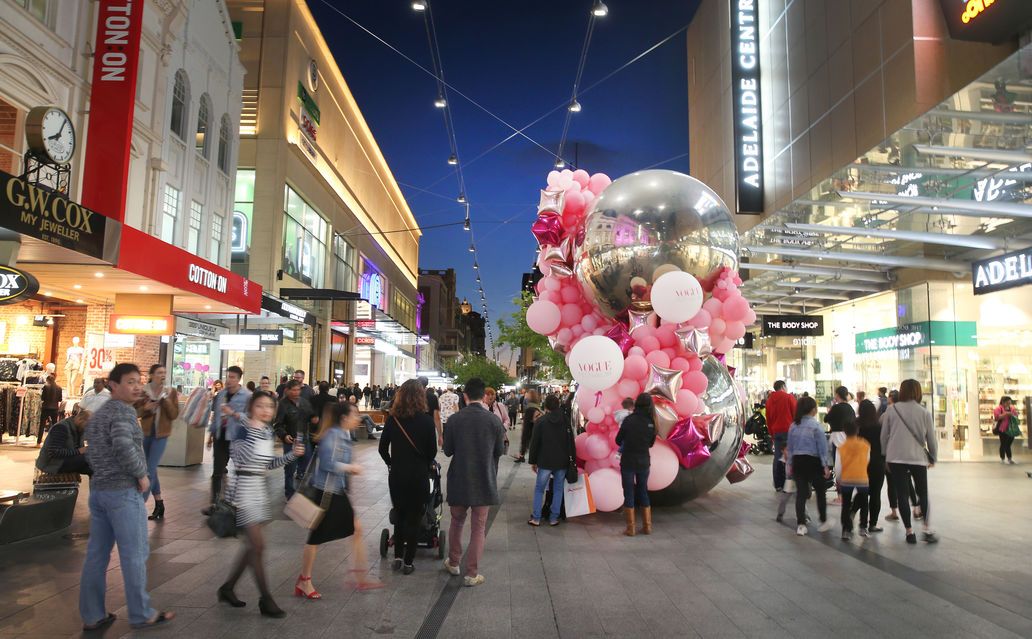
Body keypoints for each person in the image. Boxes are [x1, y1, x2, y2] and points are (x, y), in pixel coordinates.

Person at [79, 363, 175, 631]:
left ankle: (92, 614)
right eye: (130, 382)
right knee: (134, 553)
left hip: (99, 491)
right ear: (114, 385)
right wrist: (142, 474)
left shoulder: (99, 414)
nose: (136, 387)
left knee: (96, 555)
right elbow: (123, 445)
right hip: (122, 492)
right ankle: (141, 613)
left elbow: (92, 451)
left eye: (138, 382)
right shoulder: (122, 412)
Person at [218, 391, 305, 617]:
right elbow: (239, 458)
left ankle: (227, 588)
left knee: (251, 546)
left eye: (269, 406)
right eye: (260, 406)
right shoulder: (244, 429)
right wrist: (247, 425)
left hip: (258, 489)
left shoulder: (267, 431)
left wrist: (292, 455)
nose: (266, 410)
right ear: (250, 408)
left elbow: (268, 464)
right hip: (243, 490)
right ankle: (266, 599)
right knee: (258, 546)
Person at [296, 402, 383, 597]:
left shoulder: (343, 434)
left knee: (356, 530)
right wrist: (349, 467)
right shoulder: (334, 435)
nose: (358, 418)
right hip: (326, 493)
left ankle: (360, 576)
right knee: (315, 538)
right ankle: (304, 580)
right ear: (344, 418)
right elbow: (327, 464)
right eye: (355, 414)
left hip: (336, 492)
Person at [442, 377, 505, 586]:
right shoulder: (494, 421)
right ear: (483, 396)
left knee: (457, 522)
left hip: (459, 477)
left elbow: (448, 450)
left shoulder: (454, 420)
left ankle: (453, 562)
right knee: (478, 527)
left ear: (465, 396)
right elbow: (498, 451)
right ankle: (471, 573)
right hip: (484, 479)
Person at [378, 379, 437, 574]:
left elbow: (382, 448)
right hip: (418, 476)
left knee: (399, 515)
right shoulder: (427, 421)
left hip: (397, 475)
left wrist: (391, 462)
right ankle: (409, 562)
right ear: (421, 397)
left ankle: (397, 556)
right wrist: (425, 462)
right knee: (414, 518)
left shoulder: (393, 419)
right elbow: (432, 452)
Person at [881, 379, 937, 544]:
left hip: (896, 457)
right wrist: (932, 456)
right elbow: (931, 439)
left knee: (902, 495)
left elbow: (884, 436)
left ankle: (909, 532)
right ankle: (926, 529)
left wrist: (885, 456)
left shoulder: (892, 410)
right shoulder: (924, 412)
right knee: (922, 493)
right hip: (918, 458)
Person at [203, 366, 251, 514]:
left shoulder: (247, 396)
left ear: (239, 379)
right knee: (217, 471)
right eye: (228, 377)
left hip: (237, 438)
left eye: (233, 377)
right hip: (221, 437)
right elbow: (217, 415)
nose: (229, 380)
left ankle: (240, 505)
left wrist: (234, 413)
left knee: (240, 472)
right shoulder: (221, 393)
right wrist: (211, 435)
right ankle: (214, 504)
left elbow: (250, 418)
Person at [134, 364, 179, 521]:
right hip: (147, 433)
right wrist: (146, 408)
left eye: (164, 373)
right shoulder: (143, 390)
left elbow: (174, 414)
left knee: (150, 469)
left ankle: (140, 504)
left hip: (162, 434)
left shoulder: (170, 391)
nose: (162, 375)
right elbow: (136, 411)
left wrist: (165, 400)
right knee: (150, 468)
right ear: (151, 375)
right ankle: (159, 502)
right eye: (159, 372)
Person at [786, 396, 833, 536]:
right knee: (820, 492)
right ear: (813, 410)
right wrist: (825, 465)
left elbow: (790, 447)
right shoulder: (816, 425)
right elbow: (822, 447)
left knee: (801, 494)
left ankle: (801, 525)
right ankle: (823, 521)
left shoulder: (794, 426)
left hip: (798, 462)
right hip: (813, 462)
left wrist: (790, 464)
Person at [528, 394, 575, 527]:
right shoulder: (565, 420)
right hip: (562, 461)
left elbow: (535, 443)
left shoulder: (541, 421)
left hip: (545, 460)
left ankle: (536, 518)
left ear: (546, 406)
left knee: (539, 489)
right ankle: (554, 518)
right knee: (558, 489)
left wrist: (533, 461)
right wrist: (573, 459)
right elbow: (570, 441)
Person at [615, 393, 657, 536]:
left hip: (628, 461)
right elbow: (651, 443)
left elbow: (618, 440)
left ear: (637, 403)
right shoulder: (651, 421)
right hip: (644, 461)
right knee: (643, 491)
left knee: (629, 493)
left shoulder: (629, 420)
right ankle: (647, 526)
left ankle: (631, 528)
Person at [274, 379, 317, 499]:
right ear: (288, 391)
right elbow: (278, 424)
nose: (296, 392)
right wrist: (284, 435)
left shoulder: (304, 402)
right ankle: (290, 494)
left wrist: (314, 419)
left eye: (298, 390)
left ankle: (303, 494)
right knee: (290, 469)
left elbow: (311, 415)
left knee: (306, 467)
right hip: (291, 441)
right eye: (294, 390)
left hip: (304, 440)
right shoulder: (283, 404)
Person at [835, 419, 871, 540]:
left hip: (847, 478)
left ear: (844, 432)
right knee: (864, 503)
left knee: (845, 505)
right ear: (858, 430)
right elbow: (868, 460)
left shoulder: (841, 447)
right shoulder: (866, 444)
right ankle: (863, 527)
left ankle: (846, 530)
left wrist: (840, 479)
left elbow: (838, 467)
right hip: (862, 477)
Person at [855, 399, 885, 533]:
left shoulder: (856, 426)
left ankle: (853, 512)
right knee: (875, 493)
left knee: (862, 491)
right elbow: (883, 445)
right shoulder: (878, 427)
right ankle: (872, 524)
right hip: (877, 462)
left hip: (861, 463)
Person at [36, 408, 92, 475]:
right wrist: (79, 451)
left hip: (63, 461)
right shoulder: (61, 428)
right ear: (80, 420)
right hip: (51, 464)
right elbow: (54, 452)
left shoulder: (79, 429)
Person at [766, 380, 797, 494]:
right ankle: (789, 484)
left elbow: (768, 420)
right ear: (783, 387)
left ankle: (778, 484)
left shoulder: (769, 401)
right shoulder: (789, 397)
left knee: (778, 457)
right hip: (789, 432)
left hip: (776, 432)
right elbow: (796, 414)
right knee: (790, 458)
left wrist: (772, 434)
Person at [515, 389, 541, 463]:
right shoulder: (537, 405)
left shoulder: (530, 406)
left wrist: (524, 423)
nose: (526, 395)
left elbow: (528, 419)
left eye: (528, 394)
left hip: (529, 426)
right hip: (536, 426)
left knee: (525, 440)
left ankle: (522, 456)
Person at [37, 374, 63, 446]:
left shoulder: (46, 387)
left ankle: (39, 442)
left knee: (42, 425)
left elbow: (43, 398)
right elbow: (60, 399)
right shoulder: (59, 388)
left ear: (47, 380)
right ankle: (55, 442)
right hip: (54, 408)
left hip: (46, 408)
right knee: (55, 425)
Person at [994, 396, 1020, 464]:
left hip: (1011, 429)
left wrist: (1013, 414)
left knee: (1008, 444)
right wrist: (1006, 414)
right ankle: (1003, 458)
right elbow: (997, 417)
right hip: (1002, 429)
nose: (1008, 404)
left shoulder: (1011, 408)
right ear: (1003, 402)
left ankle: (1010, 458)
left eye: (1009, 403)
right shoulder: (998, 409)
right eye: (1007, 402)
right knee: (1003, 444)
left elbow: (1016, 415)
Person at [418, 376, 443, 446]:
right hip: (428, 427)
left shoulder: (412, 396)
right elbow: (436, 418)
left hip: (414, 427)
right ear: (426, 384)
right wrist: (440, 435)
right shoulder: (432, 397)